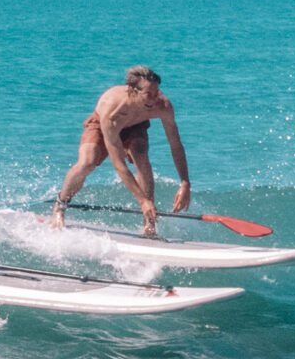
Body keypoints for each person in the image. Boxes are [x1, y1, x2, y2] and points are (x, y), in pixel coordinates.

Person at [50, 66, 190, 236]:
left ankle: (149, 223)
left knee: (142, 159)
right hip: (102, 126)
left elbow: (175, 144)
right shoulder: (113, 112)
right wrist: (142, 201)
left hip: (136, 124)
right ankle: (61, 204)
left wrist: (185, 182)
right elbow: (119, 165)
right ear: (133, 91)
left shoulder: (162, 105)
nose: (155, 99)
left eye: (157, 92)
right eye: (149, 94)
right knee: (87, 162)